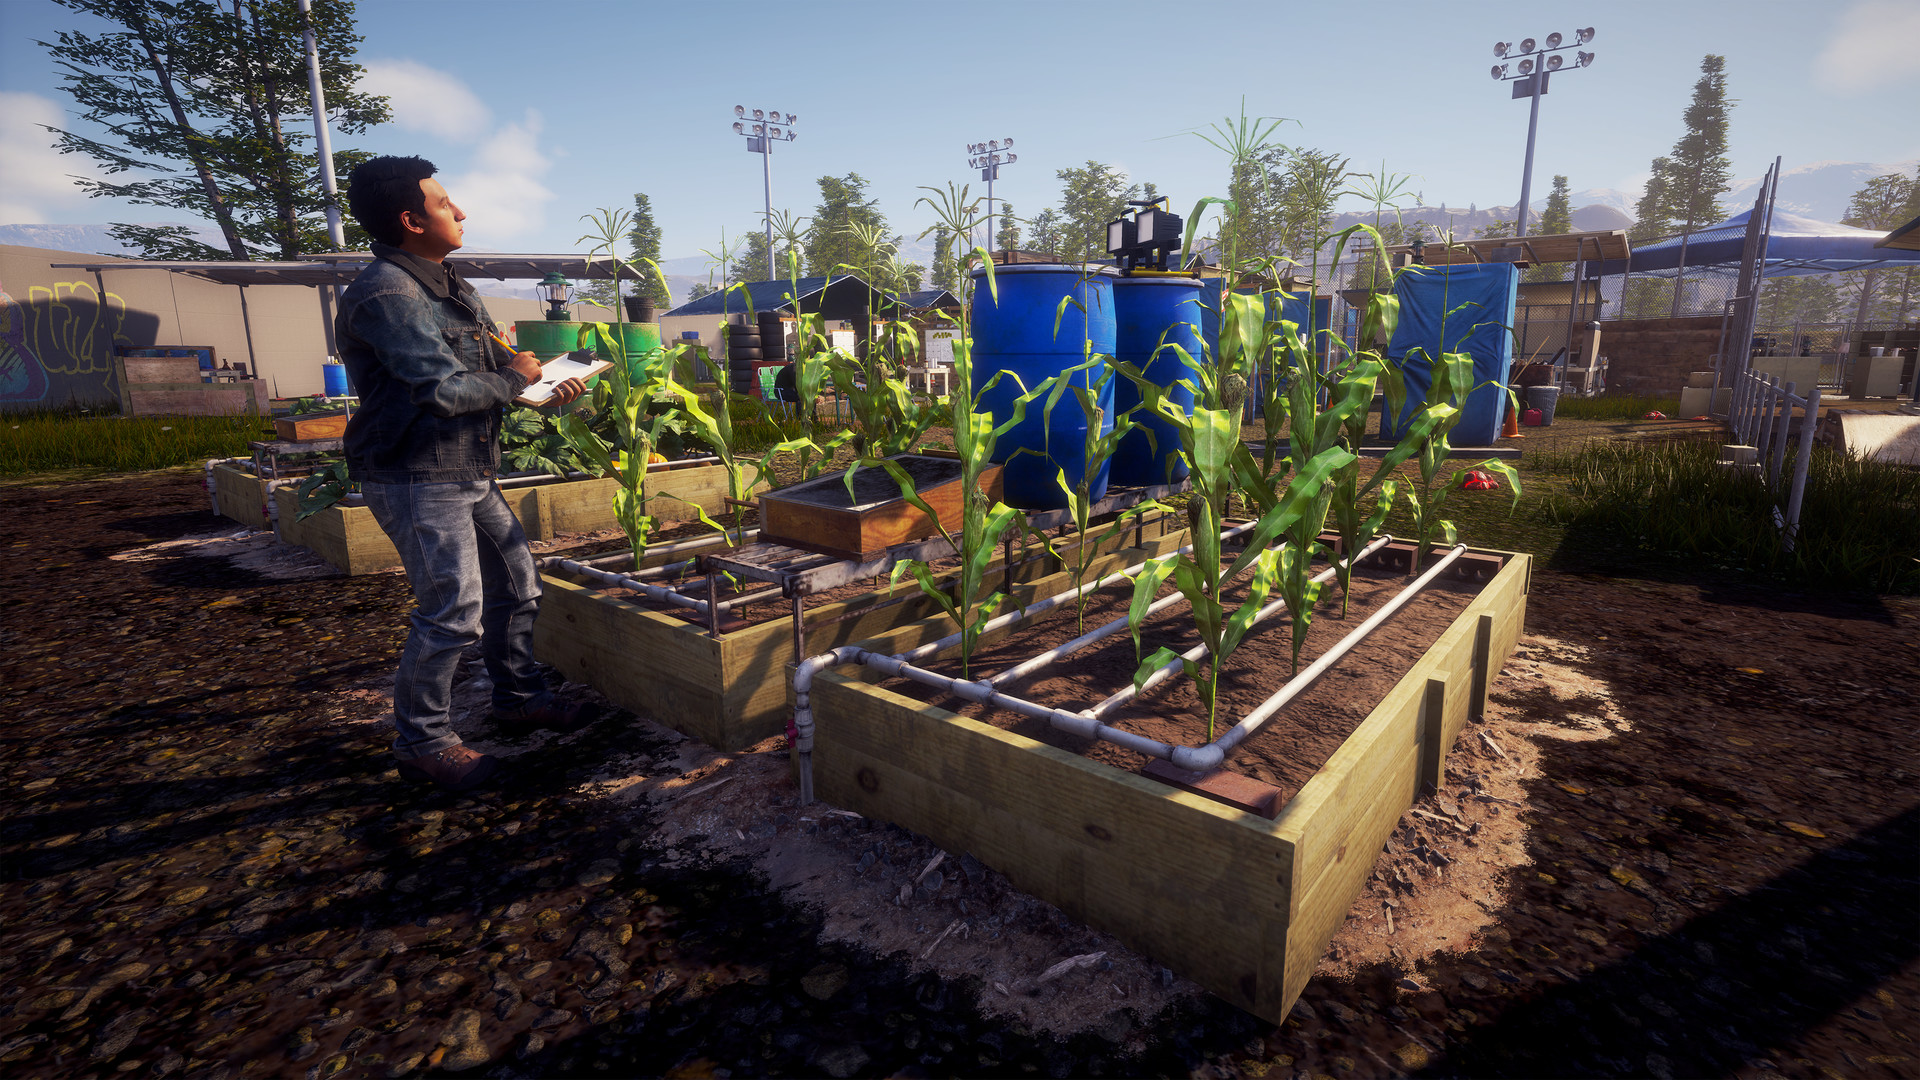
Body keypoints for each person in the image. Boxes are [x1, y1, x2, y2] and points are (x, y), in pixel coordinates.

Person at [338, 155, 599, 792]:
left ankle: (519, 700)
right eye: (444, 203)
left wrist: (537, 387)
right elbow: (443, 391)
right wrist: (512, 379)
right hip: (417, 475)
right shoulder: (388, 294)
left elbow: (486, 371)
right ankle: (423, 744)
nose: (461, 212)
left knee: (518, 587)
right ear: (411, 220)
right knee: (452, 612)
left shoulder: (449, 285)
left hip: (466, 468)